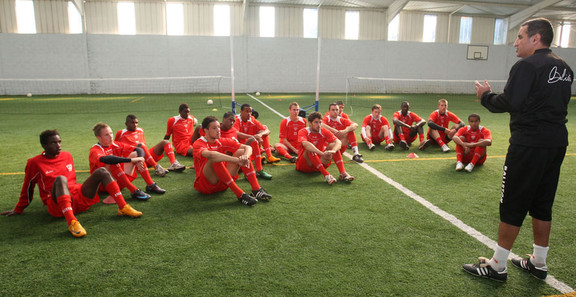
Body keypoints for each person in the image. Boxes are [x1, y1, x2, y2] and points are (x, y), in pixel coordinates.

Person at [463, 18, 573, 282]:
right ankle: (538, 262)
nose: (515, 42)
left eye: (520, 37)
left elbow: (509, 102)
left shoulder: (526, 65)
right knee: (542, 204)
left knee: (512, 205)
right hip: (556, 143)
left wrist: (485, 96)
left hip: (529, 146)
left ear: (536, 38)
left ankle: (497, 266)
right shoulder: (565, 68)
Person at [1, 130, 142, 238]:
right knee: (61, 179)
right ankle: (72, 222)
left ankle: (123, 207)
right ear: (44, 145)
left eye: (59, 142)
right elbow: (28, 186)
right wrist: (18, 209)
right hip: (56, 205)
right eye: (54, 143)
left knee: (102, 172)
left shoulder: (67, 155)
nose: (58, 145)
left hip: (77, 197)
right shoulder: (34, 163)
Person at [192, 116, 272, 206]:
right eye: (214, 128)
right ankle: (240, 194)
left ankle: (256, 189)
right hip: (206, 186)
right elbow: (210, 155)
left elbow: (248, 147)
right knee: (215, 158)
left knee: (242, 151)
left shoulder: (221, 141)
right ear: (205, 130)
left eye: (218, 127)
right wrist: (236, 160)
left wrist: (245, 156)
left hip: (224, 183)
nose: (218, 130)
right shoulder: (198, 143)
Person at [90, 123, 166, 202]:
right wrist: (131, 160)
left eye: (111, 133)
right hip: (103, 185)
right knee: (114, 162)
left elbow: (138, 149)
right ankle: (134, 190)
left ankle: (150, 185)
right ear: (99, 137)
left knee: (136, 153)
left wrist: (140, 159)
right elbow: (106, 159)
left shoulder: (115, 144)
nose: (111, 136)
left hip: (118, 179)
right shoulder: (95, 150)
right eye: (106, 135)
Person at [115, 114, 186, 177]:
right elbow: (115, 148)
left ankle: (173, 164)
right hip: (134, 161)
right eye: (132, 123)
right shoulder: (120, 133)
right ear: (126, 123)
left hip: (146, 157)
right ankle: (157, 167)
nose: (135, 125)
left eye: (136, 123)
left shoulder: (140, 130)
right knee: (141, 146)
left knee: (165, 142)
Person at [296, 111, 354, 185]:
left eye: (320, 122)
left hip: (319, 162)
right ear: (310, 123)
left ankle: (343, 173)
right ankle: (326, 175)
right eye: (316, 122)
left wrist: (333, 151)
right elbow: (306, 145)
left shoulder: (323, 131)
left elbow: (338, 142)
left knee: (334, 146)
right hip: (305, 165)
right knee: (310, 149)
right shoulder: (303, 131)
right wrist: (321, 153)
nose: (319, 125)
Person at [233, 104, 279, 179]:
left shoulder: (252, 119)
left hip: (249, 146)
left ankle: (265, 161)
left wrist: (260, 135)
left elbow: (267, 130)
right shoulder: (236, 120)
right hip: (239, 147)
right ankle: (254, 162)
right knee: (254, 141)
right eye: (247, 111)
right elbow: (236, 133)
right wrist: (253, 137)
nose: (249, 114)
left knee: (262, 134)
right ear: (241, 112)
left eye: (250, 112)